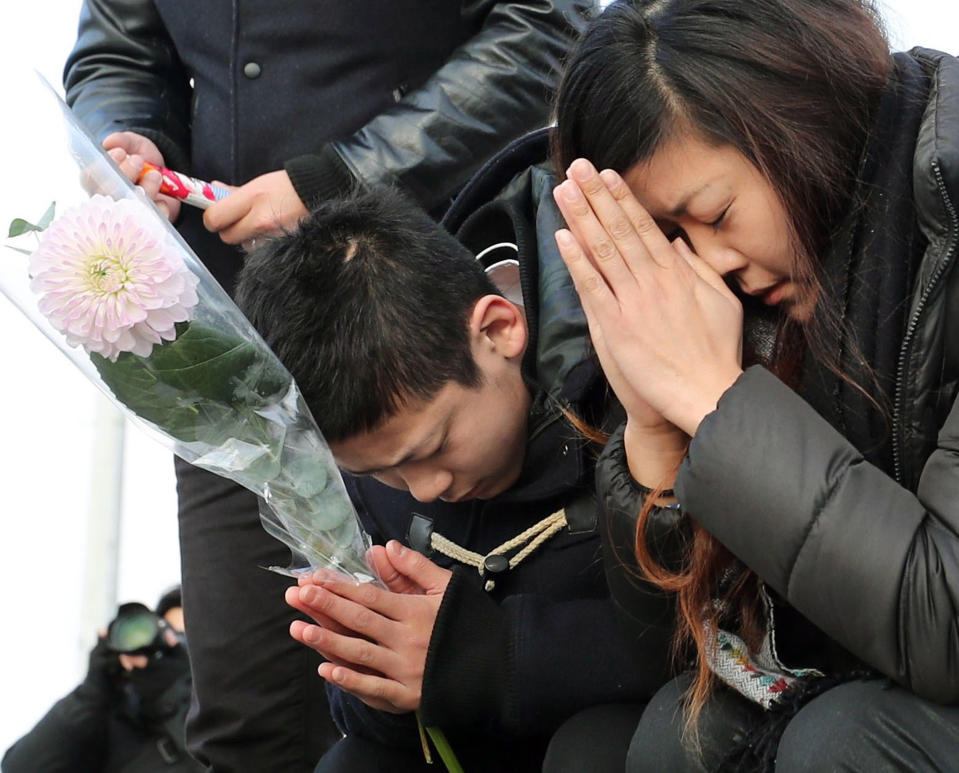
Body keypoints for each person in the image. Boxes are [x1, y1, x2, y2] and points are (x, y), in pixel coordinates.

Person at [62, 3, 592, 768]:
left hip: (427, 317)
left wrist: (343, 177)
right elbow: (116, 57)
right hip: (235, 358)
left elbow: (551, 27)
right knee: (254, 718)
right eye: (391, 474)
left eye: (420, 461)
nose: (424, 486)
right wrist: (124, 143)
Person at [545, 0, 959, 770]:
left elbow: (947, 620)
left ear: (796, 116)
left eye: (715, 213)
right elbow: (665, 658)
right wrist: (653, 428)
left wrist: (713, 398)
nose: (711, 264)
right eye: (671, 240)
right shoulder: (761, 299)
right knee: (669, 734)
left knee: (840, 745)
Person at [233, 178, 675, 772]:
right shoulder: (366, 465)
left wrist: (487, 654)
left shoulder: (630, 390)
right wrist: (379, 668)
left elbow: (719, 632)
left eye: (433, 446)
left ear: (498, 330)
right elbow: (372, 721)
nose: (424, 489)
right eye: (380, 472)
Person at [3, 587, 200, 773]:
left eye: (185, 637)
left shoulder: (225, 714)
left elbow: (220, 760)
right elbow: (22, 768)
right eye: (166, 632)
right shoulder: (122, 715)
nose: (175, 642)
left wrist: (174, 695)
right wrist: (91, 695)